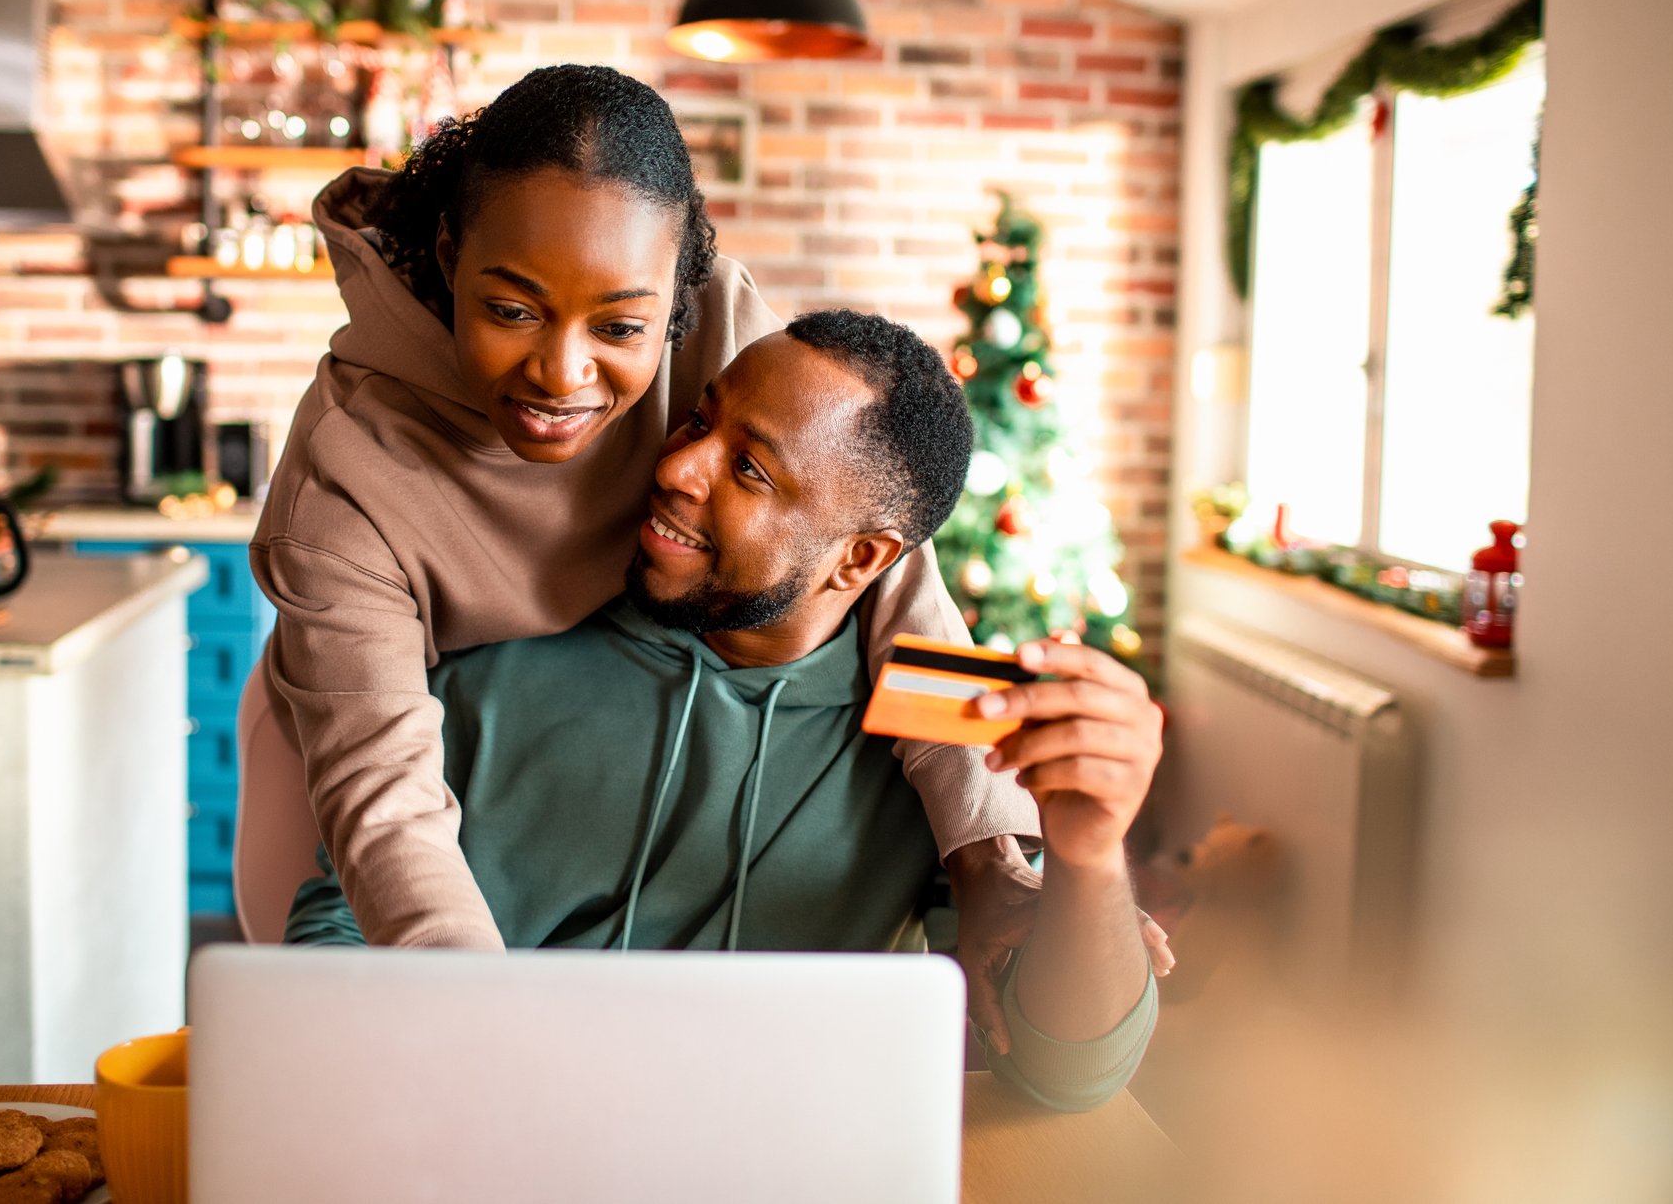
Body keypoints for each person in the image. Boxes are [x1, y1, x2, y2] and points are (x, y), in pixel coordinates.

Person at [247, 66, 1058, 1039]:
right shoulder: (344, 477)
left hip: (614, 686)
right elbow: (385, 807)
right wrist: (483, 1043)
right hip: (383, 747)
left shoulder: (713, 320)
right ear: (452, 253)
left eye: (623, 327)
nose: (563, 372)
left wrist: (992, 853)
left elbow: (880, 555)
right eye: (512, 310)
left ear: (674, 297)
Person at [286, 313, 1162, 1111]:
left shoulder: (939, 738)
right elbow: (340, 924)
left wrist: (1088, 856)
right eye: (699, 421)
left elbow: (1067, 1073)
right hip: (499, 1128)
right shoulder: (497, 655)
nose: (674, 468)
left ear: (858, 559)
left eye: (748, 469)